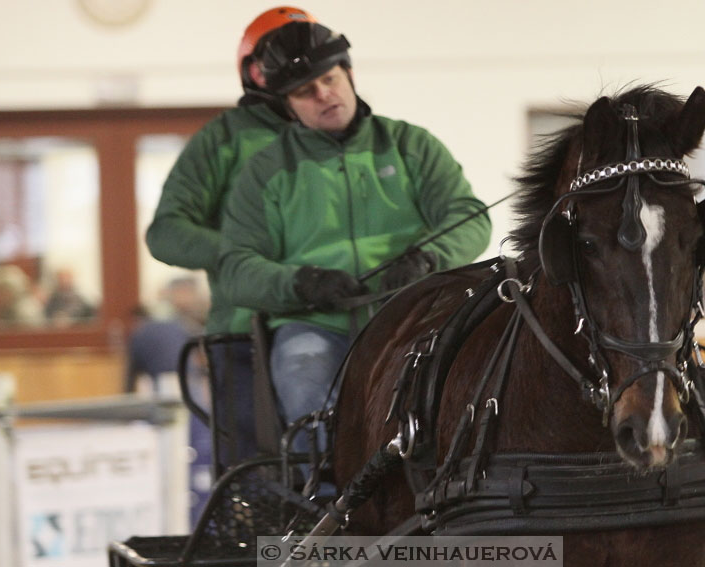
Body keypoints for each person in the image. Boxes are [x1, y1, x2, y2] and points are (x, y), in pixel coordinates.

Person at [217, 15, 492, 472]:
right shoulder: (264, 172)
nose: (324, 94)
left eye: (329, 78)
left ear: (349, 74)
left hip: (415, 314)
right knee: (304, 376)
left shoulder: (411, 146)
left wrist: (427, 259)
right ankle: (329, 507)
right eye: (306, 91)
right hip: (315, 325)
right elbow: (234, 268)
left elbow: (469, 217)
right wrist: (302, 283)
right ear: (289, 108)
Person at [144, 7, 317, 465]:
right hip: (247, 335)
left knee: (336, 474)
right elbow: (166, 231)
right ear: (255, 71)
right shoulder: (223, 140)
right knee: (253, 481)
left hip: (341, 327)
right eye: (282, 57)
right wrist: (242, 256)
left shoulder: (348, 137)